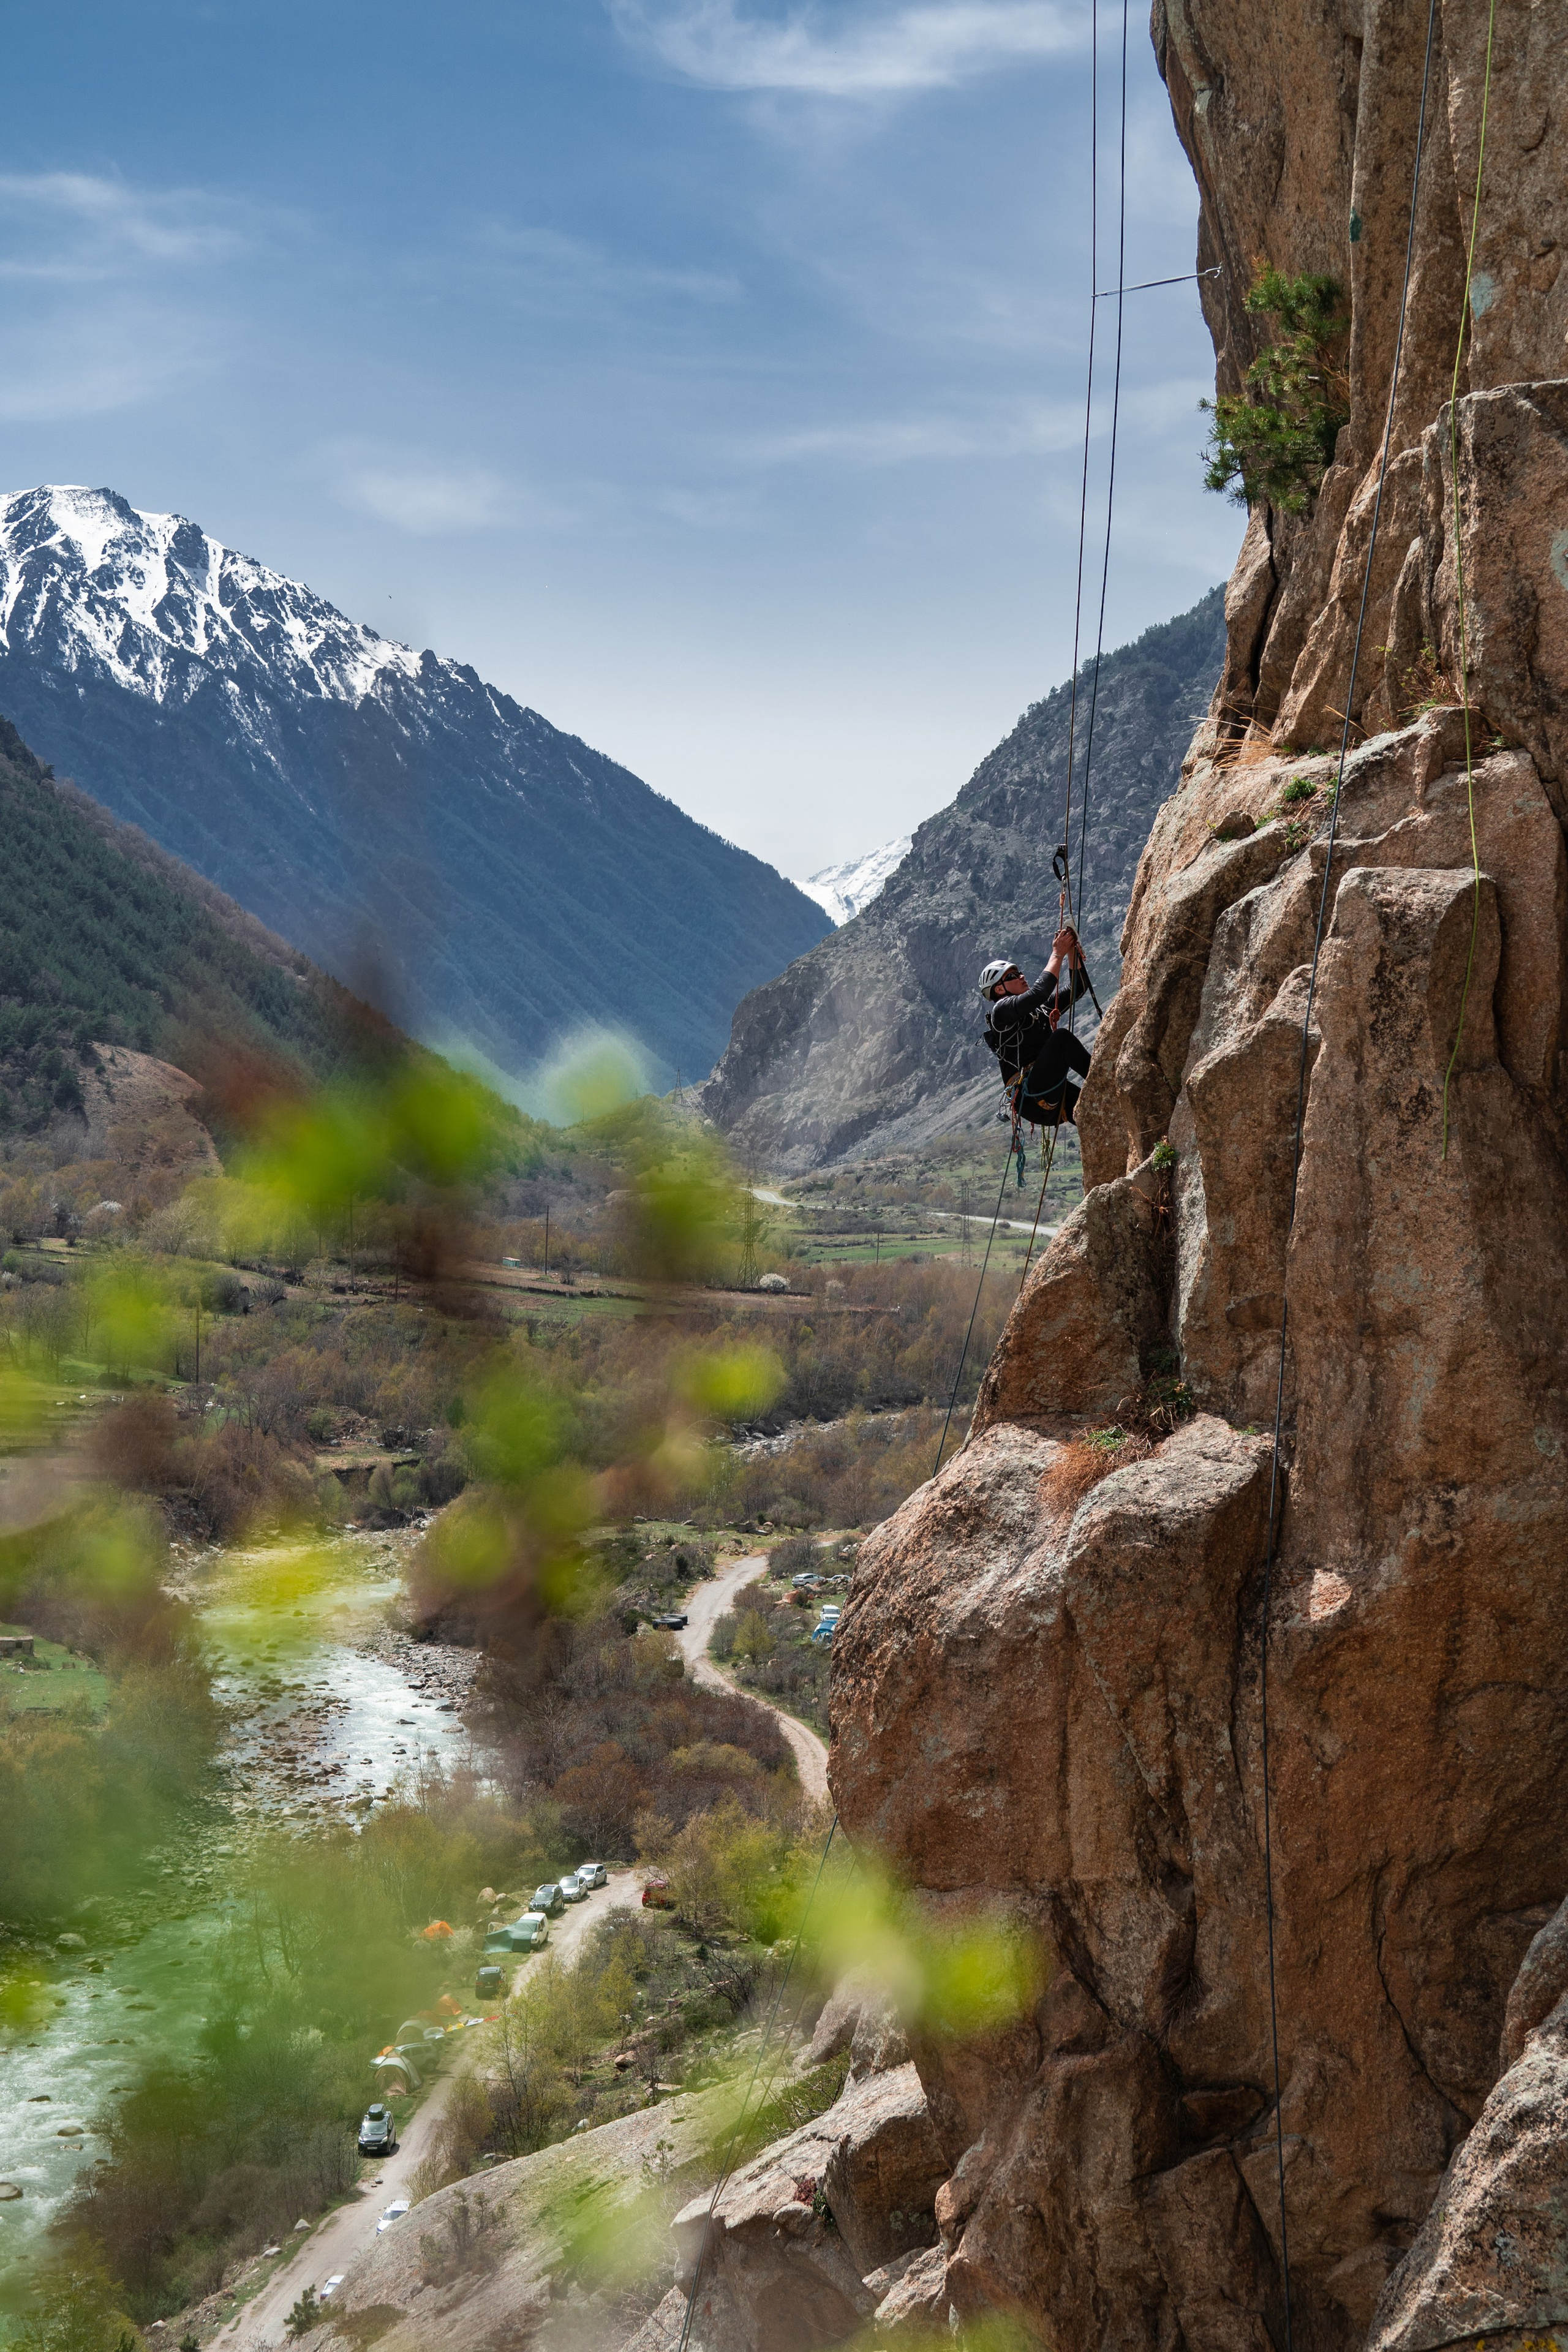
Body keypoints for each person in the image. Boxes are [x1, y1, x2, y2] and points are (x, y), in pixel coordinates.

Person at [979, 927, 1093, 1129]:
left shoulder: (1039, 1010)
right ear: (999, 989)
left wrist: (1072, 951)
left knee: (1092, 1110)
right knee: (1061, 1039)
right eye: (1012, 976)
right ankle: (1106, 1080)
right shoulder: (1001, 1012)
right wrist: (1058, 953)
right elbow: (1040, 992)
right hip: (1031, 1094)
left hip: (1044, 1091)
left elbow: (1078, 987)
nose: (1021, 976)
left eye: (1019, 972)